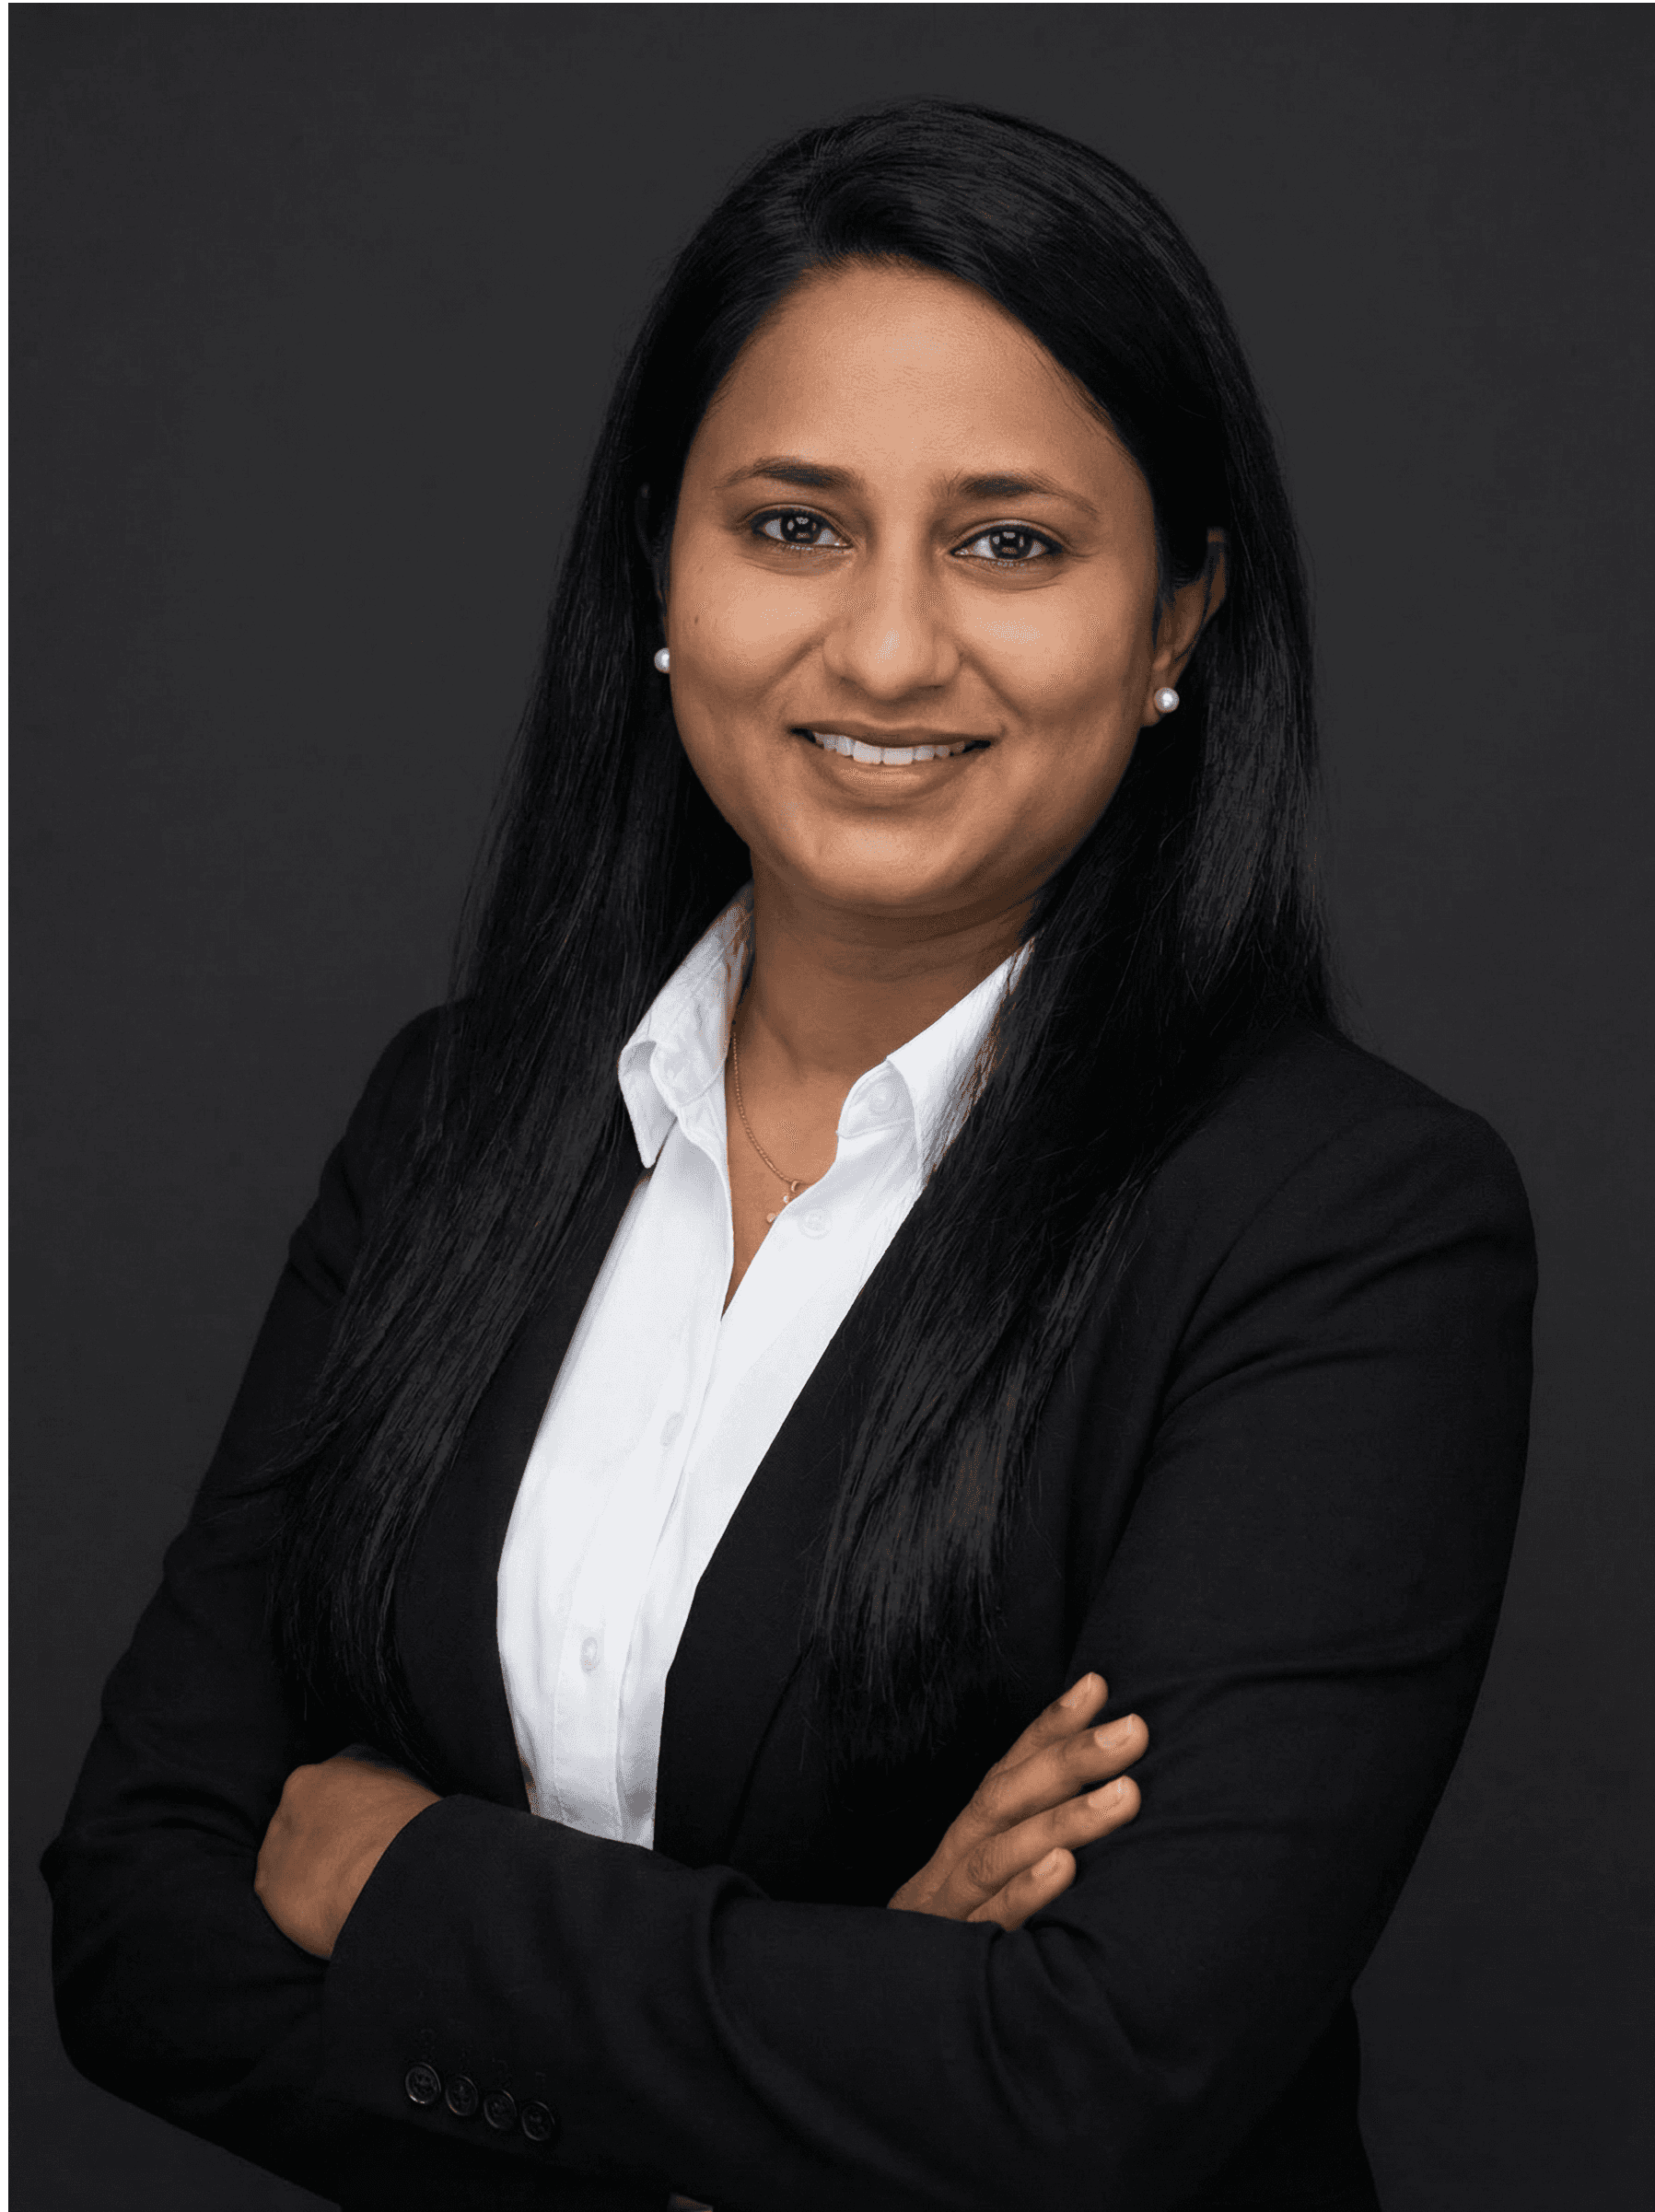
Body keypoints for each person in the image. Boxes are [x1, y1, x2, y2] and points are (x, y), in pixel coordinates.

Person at [43, 99, 1533, 2212]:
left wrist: (410, 1888)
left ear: (1178, 620)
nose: (891, 647)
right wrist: (846, 2016)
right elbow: (133, 1928)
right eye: (792, 524)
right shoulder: (456, 1118)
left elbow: (1090, 2097)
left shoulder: (1345, 1229)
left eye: (1010, 540)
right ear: (662, 564)